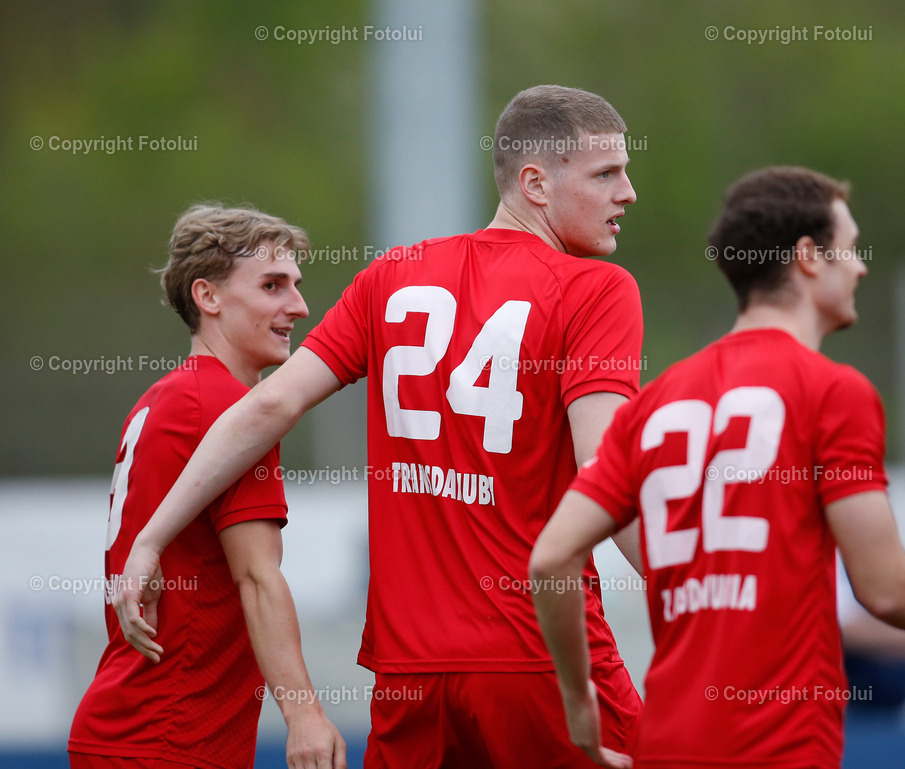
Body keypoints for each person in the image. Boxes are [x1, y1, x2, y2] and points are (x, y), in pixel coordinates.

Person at [112, 85, 646, 768]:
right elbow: (608, 473)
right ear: (536, 183)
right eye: (607, 173)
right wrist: (694, 595)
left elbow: (271, 406)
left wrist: (151, 537)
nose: (627, 192)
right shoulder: (596, 289)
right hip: (533, 658)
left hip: (410, 676)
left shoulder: (392, 274)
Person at [530, 167, 905, 769]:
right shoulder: (832, 393)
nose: (860, 268)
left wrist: (579, 701)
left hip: (666, 748)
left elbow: (549, 558)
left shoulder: (655, 403)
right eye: (850, 250)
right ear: (807, 257)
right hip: (779, 751)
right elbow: (884, 587)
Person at [69, 205, 346, 769]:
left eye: (295, 285)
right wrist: (304, 715)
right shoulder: (225, 411)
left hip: (138, 726)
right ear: (208, 297)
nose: (298, 305)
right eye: (272, 285)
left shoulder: (166, 396)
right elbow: (256, 575)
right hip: (168, 736)